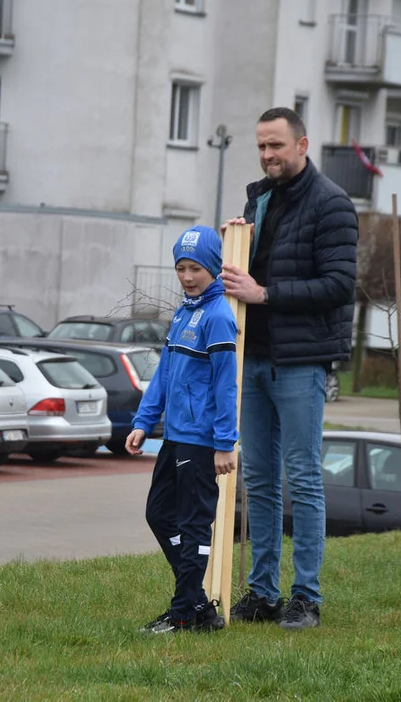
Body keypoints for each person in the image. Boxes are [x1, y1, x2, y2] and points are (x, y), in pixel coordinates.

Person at [218, 107, 357, 631]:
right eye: (261, 146)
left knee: (302, 479)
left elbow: (339, 285)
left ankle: (306, 598)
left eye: (276, 145)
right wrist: (230, 249)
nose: (268, 155)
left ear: (302, 145)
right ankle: (262, 593)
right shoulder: (258, 198)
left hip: (300, 363)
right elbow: (242, 273)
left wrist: (265, 294)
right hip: (250, 358)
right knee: (257, 480)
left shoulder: (333, 204)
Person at [126, 225, 239, 634]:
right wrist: (143, 421)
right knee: (158, 514)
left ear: (212, 268)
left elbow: (227, 387)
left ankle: (182, 616)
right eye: (181, 268)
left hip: (202, 441)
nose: (188, 277)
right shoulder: (183, 312)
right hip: (173, 437)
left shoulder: (219, 318)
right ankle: (196, 605)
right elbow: (164, 376)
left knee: (193, 527)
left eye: (195, 269)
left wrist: (225, 444)